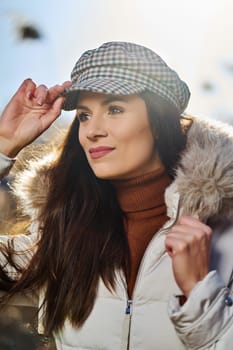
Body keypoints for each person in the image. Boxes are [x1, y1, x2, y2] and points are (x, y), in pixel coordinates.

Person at [0, 41, 233, 350]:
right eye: (84, 115)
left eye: (114, 109)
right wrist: (4, 147)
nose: (92, 130)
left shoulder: (224, 232)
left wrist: (199, 296)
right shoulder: (63, 228)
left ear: (160, 122)